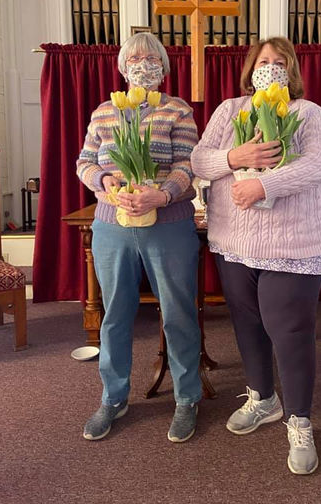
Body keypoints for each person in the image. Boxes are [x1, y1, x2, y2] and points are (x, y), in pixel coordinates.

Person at [190, 36, 321, 475]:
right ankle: (263, 398)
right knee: (247, 324)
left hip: (292, 242)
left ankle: (300, 421)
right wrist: (236, 157)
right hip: (235, 241)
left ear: (291, 71)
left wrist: (264, 184)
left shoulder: (307, 113)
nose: (270, 66)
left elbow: (320, 164)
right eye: (263, 60)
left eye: (279, 61)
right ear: (250, 69)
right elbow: (199, 160)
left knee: (290, 332)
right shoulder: (230, 110)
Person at [77, 32, 201, 443]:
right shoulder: (104, 112)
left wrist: (162, 194)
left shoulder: (177, 110)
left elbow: (188, 164)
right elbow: (84, 162)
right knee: (115, 313)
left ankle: (187, 397)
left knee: (178, 313)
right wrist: (104, 179)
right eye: (135, 58)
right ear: (122, 67)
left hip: (168, 225)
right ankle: (113, 398)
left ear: (163, 68)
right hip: (112, 225)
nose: (143, 64)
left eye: (151, 59)